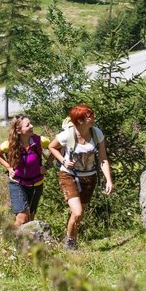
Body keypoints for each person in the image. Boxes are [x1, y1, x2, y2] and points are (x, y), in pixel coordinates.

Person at [48, 105, 113, 250]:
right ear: (80, 120)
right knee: (77, 212)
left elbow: (103, 158)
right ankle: (69, 243)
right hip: (68, 176)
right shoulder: (67, 135)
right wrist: (63, 160)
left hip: (89, 178)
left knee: (80, 213)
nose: (93, 117)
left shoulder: (96, 133)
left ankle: (73, 240)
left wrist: (108, 180)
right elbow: (52, 147)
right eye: (89, 116)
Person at [0, 115, 52, 227]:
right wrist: (9, 168)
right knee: (21, 219)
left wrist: (47, 165)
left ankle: (24, 243)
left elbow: (55, 147)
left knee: (30, 219)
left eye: (31, 123)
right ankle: (12, 240)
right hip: (17, 183)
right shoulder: (10, 144)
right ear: (18, 130)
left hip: (36, 184)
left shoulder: (40, 140)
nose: (32, 126)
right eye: (28, 125)